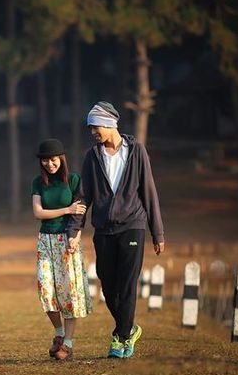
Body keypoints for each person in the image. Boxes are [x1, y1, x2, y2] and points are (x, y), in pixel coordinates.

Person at [67, 101, 165, 359]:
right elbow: (83, 195)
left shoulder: (136, 152)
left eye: (94, 126)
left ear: (109, 124)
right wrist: (74, 229)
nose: (92, 132)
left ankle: (120, 339)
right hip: (104, 229)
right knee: (108, 284)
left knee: (127, 284)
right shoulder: (92, 156)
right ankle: (130, 327)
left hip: (133, 225)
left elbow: (149, 190)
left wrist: (158, 232)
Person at [31, 138, 92, 361]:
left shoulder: (74, 180)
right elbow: (38, 213)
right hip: (45, 240)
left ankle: (67, 343)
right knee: (46, 291)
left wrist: (75, 236)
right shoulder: (38, 182)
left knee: (69, 292)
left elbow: (80, 212)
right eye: (45, 160)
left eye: (53, 159)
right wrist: (67, 208)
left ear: (61, 159)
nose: (50, 164)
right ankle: (58, 332)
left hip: (67, 240)